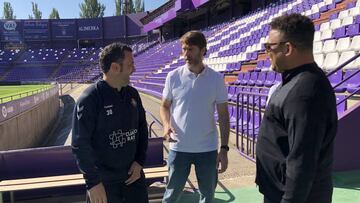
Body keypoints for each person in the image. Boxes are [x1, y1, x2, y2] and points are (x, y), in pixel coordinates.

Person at [256, 14, 338, 203]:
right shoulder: (295, 82)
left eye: (270, 47)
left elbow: (302, 161)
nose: (267, 52)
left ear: (287, 48)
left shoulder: (305, 92)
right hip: (279, 192)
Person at [71, 43, 149, 203]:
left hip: (133, 178)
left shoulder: (133, 94)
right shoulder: (91, 98)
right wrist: (93, 183)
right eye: (130, 64)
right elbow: (80, 144)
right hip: (104, 183)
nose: (134, 68)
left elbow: (142, 128)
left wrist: (139, 161)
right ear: (114, 67)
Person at [160, 30, 230, 203]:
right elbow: (164, 106)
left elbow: (223, 116)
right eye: (184, 49)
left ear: (203, 50)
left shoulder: (216, 79)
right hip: (179, 147)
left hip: (207, 149)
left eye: (190, 49)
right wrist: (166, 124)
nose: (185, 54)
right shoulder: (173, 77)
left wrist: (224, 149)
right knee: (171, 196)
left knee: (207, 196)